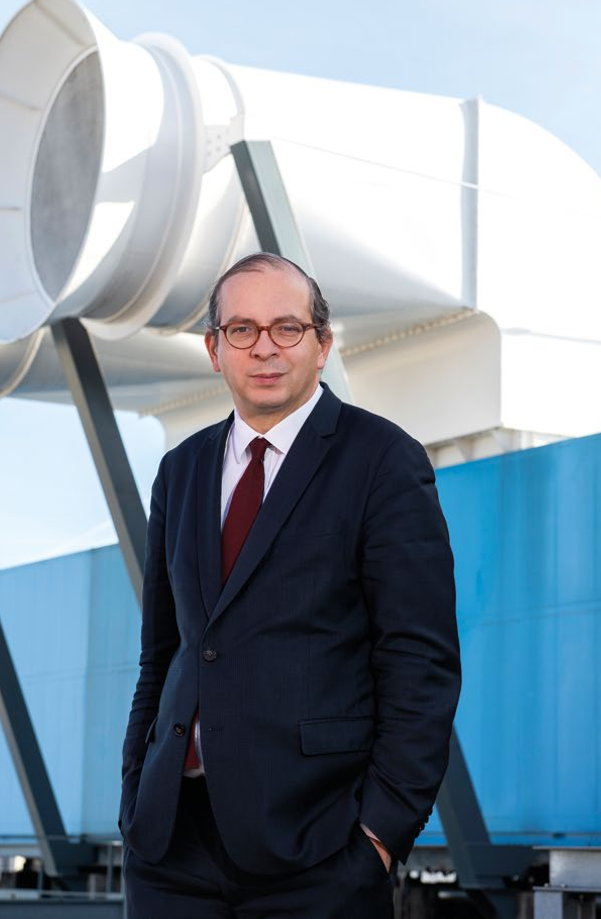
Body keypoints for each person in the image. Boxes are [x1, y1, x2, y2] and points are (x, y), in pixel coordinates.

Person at [119, 252, 461, 917]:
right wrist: (135, 799)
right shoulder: (180, 471)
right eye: (242, 330)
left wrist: (379, 834)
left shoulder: (383, 461)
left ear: (323, 344)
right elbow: (164, 655)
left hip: (318, 849)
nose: (265, 348)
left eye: (287, 328)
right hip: (170, 852)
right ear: (215, 349)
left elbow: (420, 661)